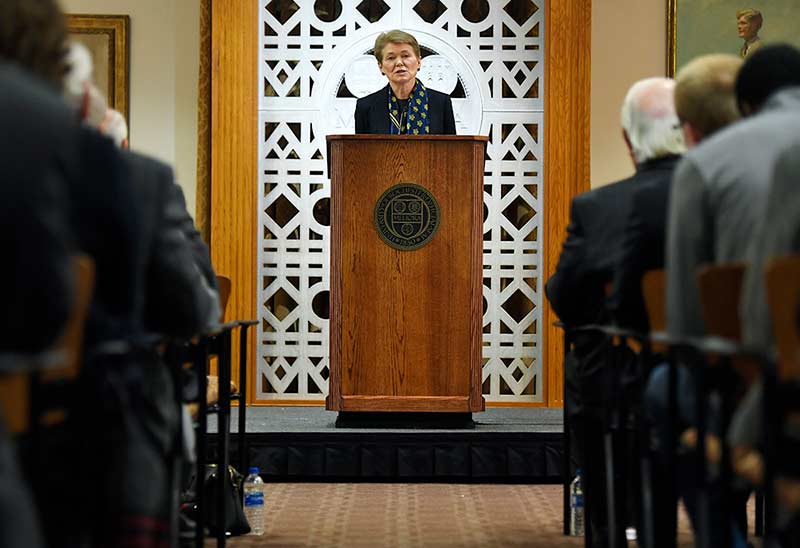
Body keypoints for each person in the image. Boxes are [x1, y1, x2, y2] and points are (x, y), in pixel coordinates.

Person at [546, 77, 685, 548]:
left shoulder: (598, 207)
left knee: (589, 361)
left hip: (620, 380)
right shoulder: (732, 196)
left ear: (628, 140)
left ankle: (608, 522)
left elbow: (563, 295)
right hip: (729, 381)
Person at [355, 30, 455, 135]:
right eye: (391, 58)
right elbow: (362, 150)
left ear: (419, 62)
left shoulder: (441, 103)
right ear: (381, 66)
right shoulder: (366, 106)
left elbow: (452, 149)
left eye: (405, 56)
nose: (399, 63)